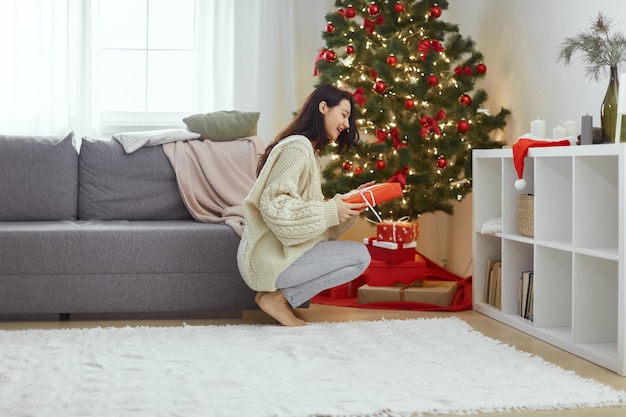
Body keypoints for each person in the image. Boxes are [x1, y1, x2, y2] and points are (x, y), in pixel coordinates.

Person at [237, 84, 372, 327]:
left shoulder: (307, 151)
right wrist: (332, 209)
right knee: (359, 257)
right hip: (268, 259)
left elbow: (316, 231)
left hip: (277, 256)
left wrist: (350, 204)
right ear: (323, 107)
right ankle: (278, 299)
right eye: (343, 114)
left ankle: (277, 298)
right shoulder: (297, 147)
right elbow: (276, 208)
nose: (347, 124)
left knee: (358, 255)